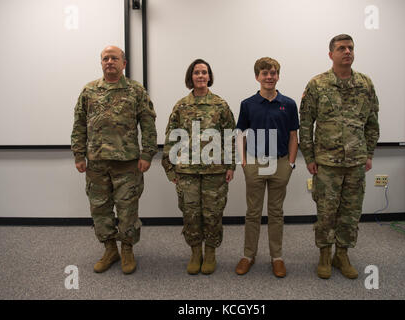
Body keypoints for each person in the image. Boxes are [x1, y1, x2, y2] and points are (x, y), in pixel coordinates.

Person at [299, 34, 380, 279]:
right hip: (326, 162)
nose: (347, 52)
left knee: (351, 212)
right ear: (331, 54)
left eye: (351, 48)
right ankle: (324, 254)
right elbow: (305, 124)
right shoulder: (317, 84)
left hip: (356, 162)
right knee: (326, 211)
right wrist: (309, 157)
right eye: (341, 48)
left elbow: (372, 123)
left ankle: (341, 255)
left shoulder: (365, 84)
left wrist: (369, 153)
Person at [71, 45, 157, 274]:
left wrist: (147, 153)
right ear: (101, 63)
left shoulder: (136, 90)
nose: (109, 61)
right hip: (96, 163)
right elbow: (79, 123)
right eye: (105, 58)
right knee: (100, 208)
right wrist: (79, 154)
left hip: (127, 163)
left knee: (128, 209)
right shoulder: (89, 91)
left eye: (114, 58)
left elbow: (148, 123)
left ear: (124, 63)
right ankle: (110, 249)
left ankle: (127, 249)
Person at [162, 59, 236, 275]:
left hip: (215, 170)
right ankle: (196, 252)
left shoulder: (220, 105)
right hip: (186, 171)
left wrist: (231, 165)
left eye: (204, 72)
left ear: (209, 76)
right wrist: (170, 167)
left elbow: (230, 136)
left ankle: (210, 252)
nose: (201, 76)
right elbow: (171, 137)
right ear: (191, 77)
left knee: (213, 214)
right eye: (197, 72)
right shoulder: (181, 106)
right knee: (191, 213)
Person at [235, 57, 299, 278]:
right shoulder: (248, 104)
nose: (269, 77)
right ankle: (248, 255)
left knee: (276, 213)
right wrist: (243, 162)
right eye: (265, 73)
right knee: (253, 213)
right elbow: (240, 134)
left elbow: (293, 135)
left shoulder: (288, 104)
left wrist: (290, 163)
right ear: (257, 77)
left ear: (278, 76)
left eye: (273, 73)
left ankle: (277, 257)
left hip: (280, 163)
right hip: (254, 162)